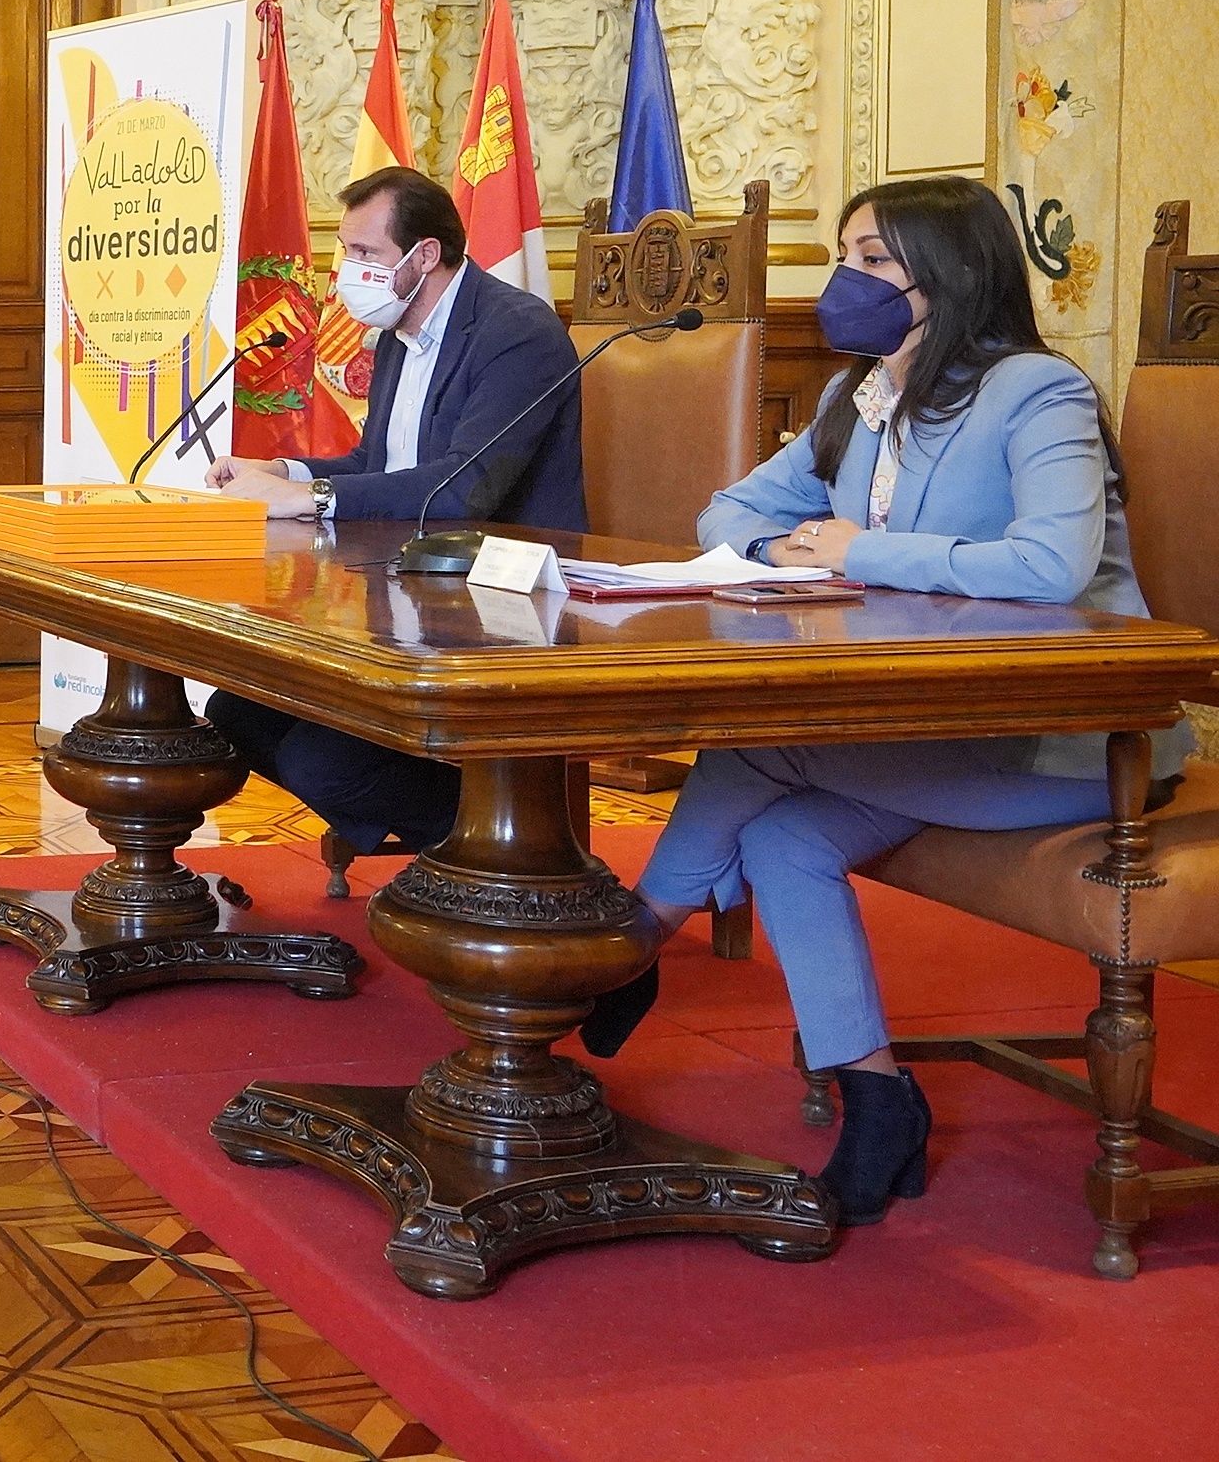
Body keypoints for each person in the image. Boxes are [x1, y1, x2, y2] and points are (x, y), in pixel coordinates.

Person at [580, 178, 1193, 1224]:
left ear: (950, 273)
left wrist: (860, 550)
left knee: (760, 746)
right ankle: (878, 1099)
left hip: (1074, 742)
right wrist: (782, 544)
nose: (844, 279)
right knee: (782, 839)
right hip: (937, 724)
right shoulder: (857, 397)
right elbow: (726, 509)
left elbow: (1050, 564)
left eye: (872, 259)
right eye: (843, 255)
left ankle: (626, 949)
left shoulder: (1038, 392)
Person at [197, 166, 587, 857]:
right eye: (347, 251)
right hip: (413, 593)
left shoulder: (517, 332)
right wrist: (282, 472)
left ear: (425, 255)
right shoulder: (396, 340)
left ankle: (499, 844)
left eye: (365, 253)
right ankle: (440, 834)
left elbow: (463, 490)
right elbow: (379, 465)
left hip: (502, 610)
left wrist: (312, 500)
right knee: (237, 712)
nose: (349, 271)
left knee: (324, 762)